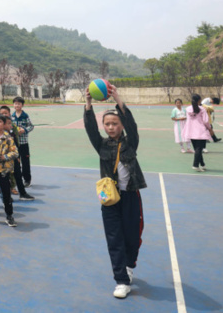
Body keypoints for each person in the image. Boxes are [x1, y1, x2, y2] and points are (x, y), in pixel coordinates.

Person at [83, 82, 146, 300]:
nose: (110, 127)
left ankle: (129, 265)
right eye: (107, 124)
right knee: (114, 238)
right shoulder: (101, 145)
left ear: (120, 125)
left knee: (133, 236)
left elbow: (132, 125)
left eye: (114, 123)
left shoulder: (131, 143)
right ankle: (121, 279)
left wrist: (118, 99)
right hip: (108, 199)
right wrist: (88, 104)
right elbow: (91, 128)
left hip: (130, 195)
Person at [4, 114, 35, 201]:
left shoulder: (11, 133)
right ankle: (6, 197)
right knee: (5, 178)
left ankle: (22, 193)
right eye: (9, 124)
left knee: (18, 175)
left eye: (11, 123)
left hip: (13, 158)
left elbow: (15, 145)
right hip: (5, 160)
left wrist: (17, 156)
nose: (11, 125)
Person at [183, 94, 212, 172]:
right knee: (199, 149)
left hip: (190, 131)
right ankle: (195, 165)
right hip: (200, 131)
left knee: (197, 149)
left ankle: (202, 164)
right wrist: (210, 128)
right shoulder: (202, 109)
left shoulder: (187, 109)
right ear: (199, 100)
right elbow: (206, 121)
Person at [12, 96, 35, 187]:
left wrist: (24, 130)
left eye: (19, 104)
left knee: (25, 162)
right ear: (13, 105)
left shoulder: (25, 116)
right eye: (15, 103)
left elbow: (31, 126)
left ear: (22, 105)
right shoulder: (12, 116)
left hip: (24, 143)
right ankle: (16, 179)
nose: (17, 105)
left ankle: (27, 179)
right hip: (14, 144)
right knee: (15, 163)